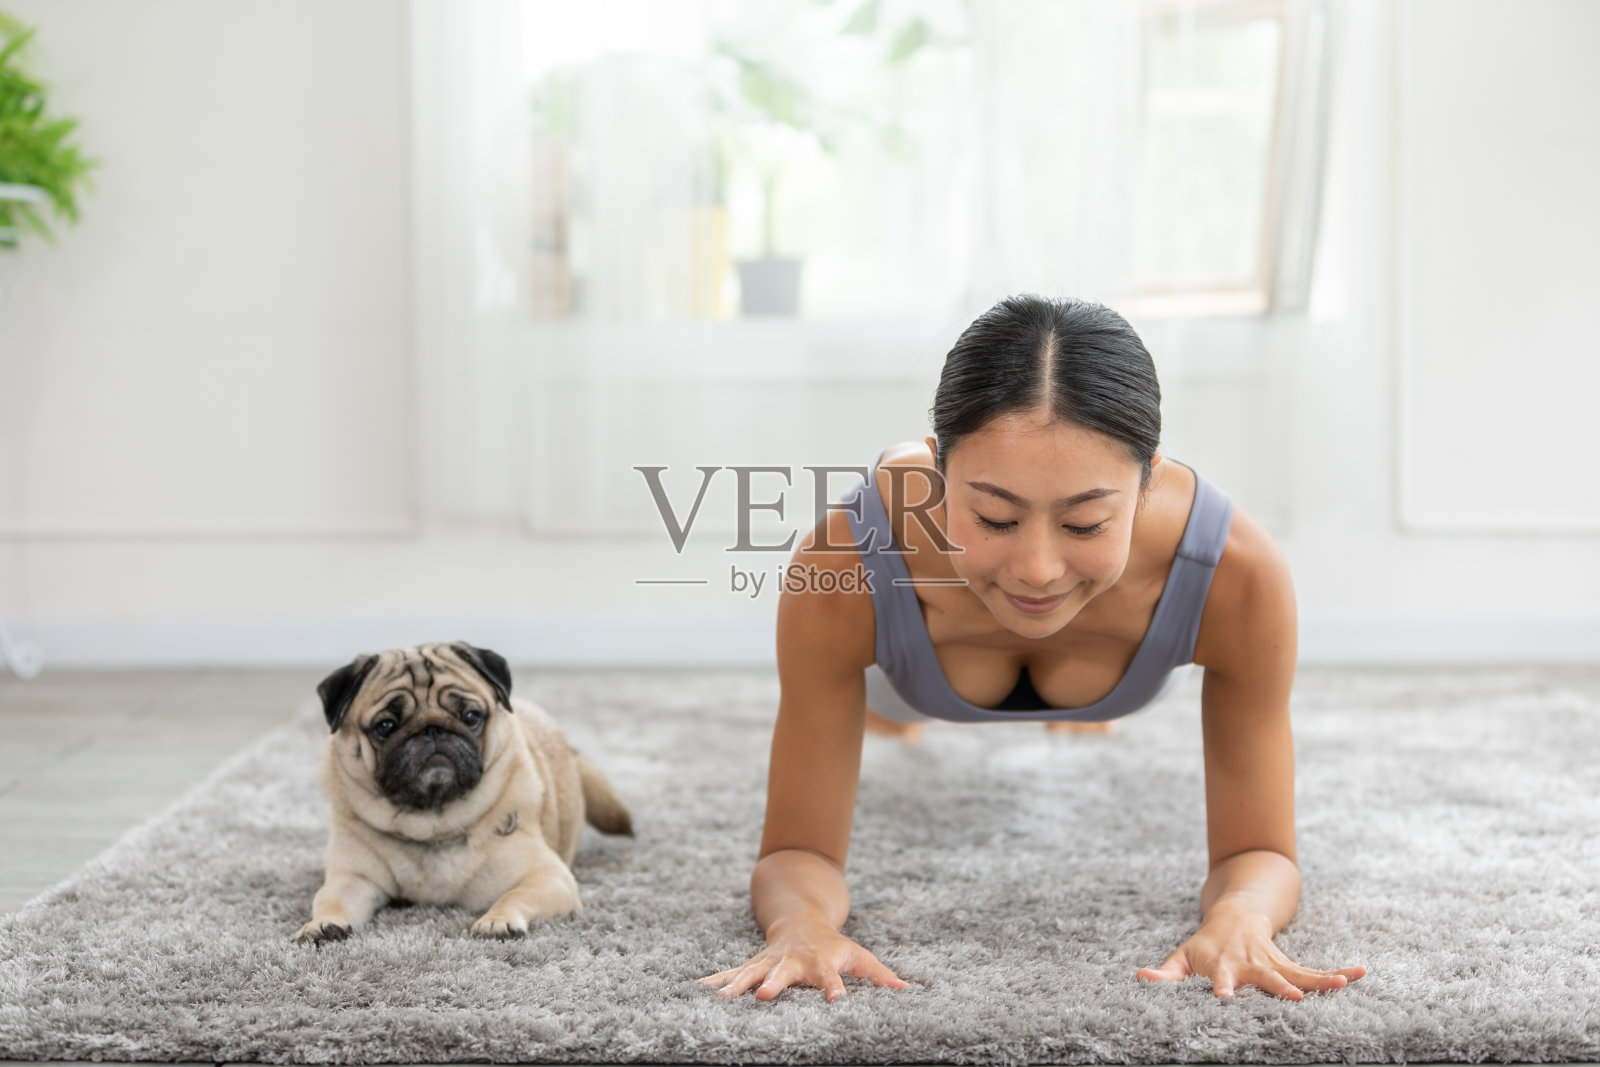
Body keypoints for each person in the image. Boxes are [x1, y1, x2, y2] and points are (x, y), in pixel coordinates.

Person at [700, 294, 1367, 1003]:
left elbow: (1258, 850)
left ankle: (1082, 696)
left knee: (1078, 680)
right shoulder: (844, 563)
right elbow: (795, 850)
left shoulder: (1237, 571)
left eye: (1084, 523)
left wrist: (1242, 915)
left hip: (1119, 644)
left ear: (1147, 483)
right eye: (994, 515)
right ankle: (907, 707)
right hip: (909, 673)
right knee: (890, 714)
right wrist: (799, 923)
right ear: (938, 474)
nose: (1037, 569)